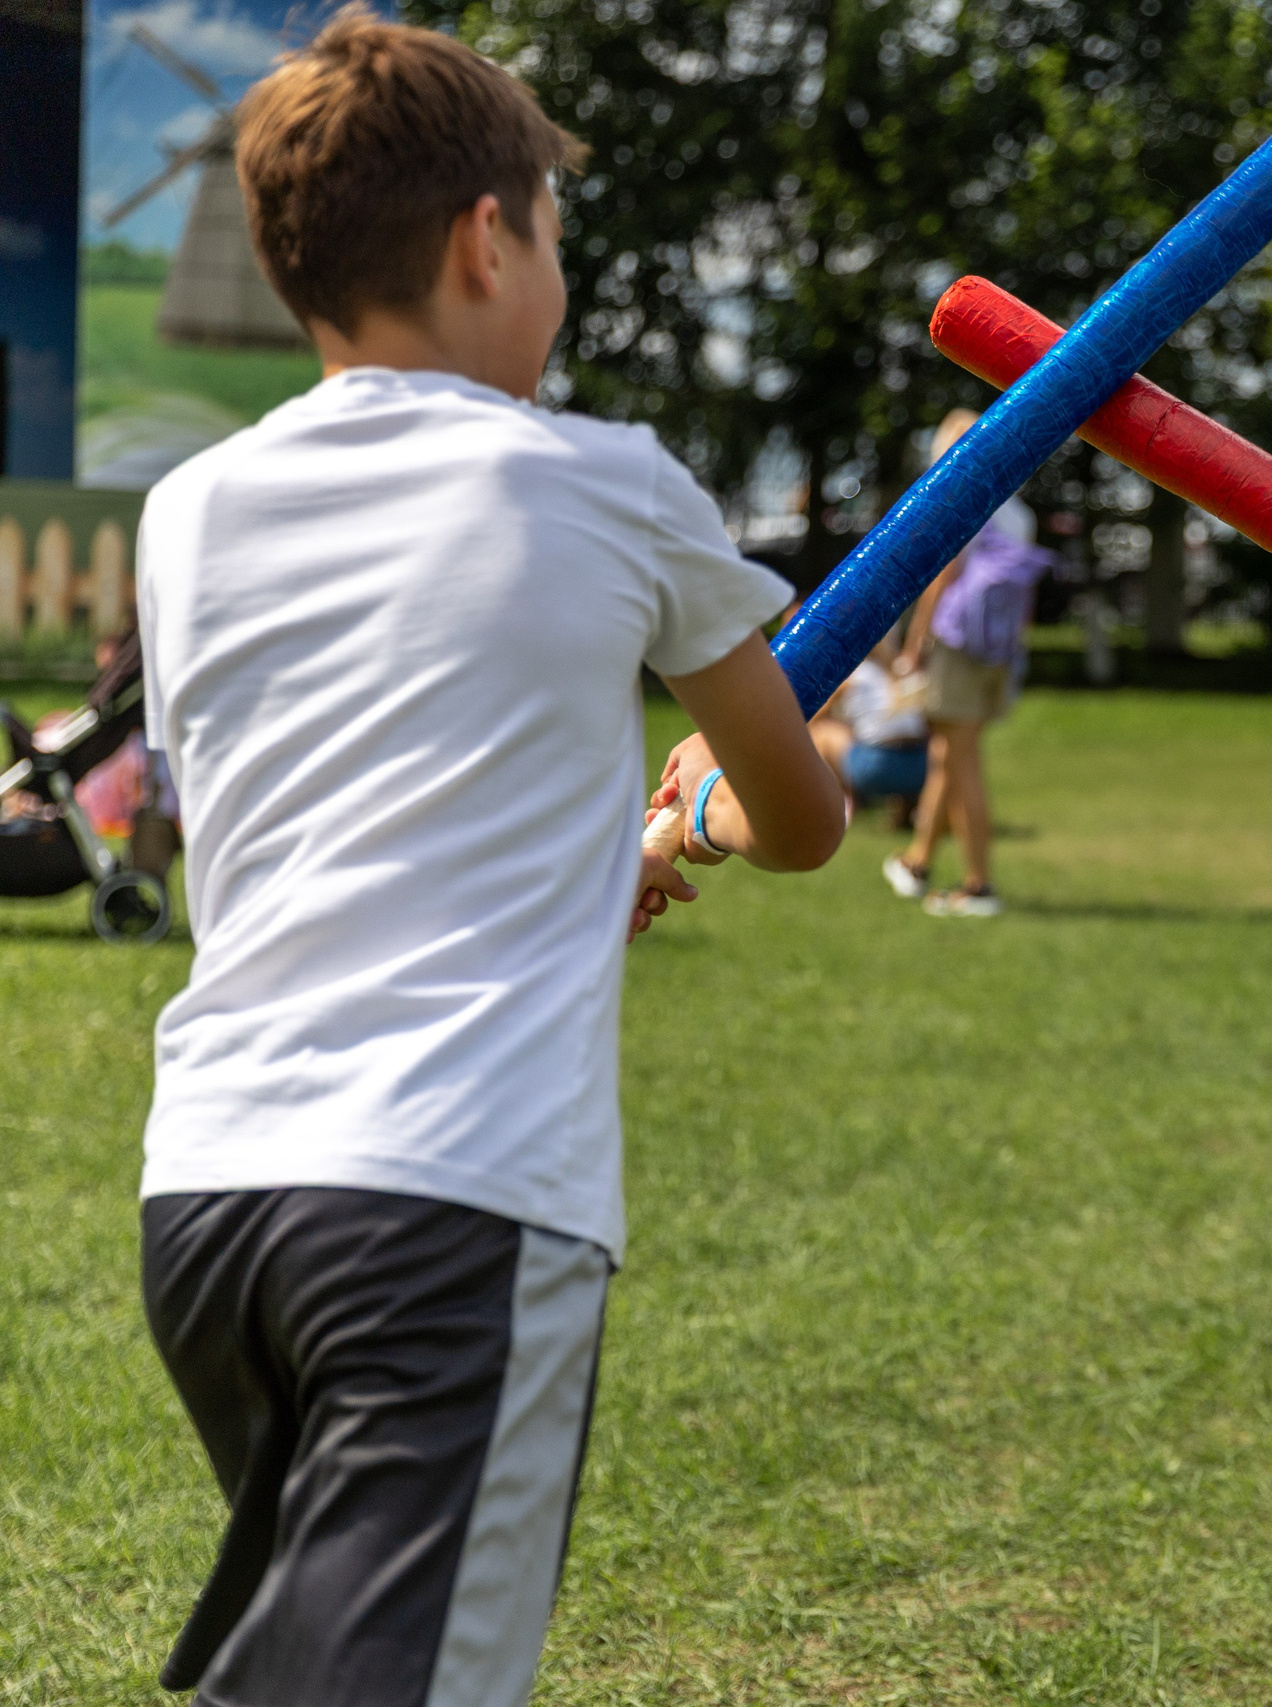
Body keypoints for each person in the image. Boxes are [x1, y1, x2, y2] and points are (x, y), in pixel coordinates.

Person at [131, 15, 845, 1707]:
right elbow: (801, 814)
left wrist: (593, 856)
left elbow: (353, 795)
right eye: (558, 236)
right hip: (451, 1205)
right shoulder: (612, 485)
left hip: (214, 1204)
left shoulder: (197, 509)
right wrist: (705, 809)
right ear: (485, 237)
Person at [880, 408, 1055, 917]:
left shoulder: (964, 497)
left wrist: (915, 645)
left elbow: (945, 577)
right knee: (948, 755)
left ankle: (979, 886)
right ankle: (916, 861)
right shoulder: (1018, 511)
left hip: (957, 645)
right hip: (997, 650)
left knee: (961, 761)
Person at [814, 632, 930, 827]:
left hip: (874, 770)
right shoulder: (907, 672)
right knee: (902, 735)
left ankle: (844, 800)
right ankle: (907, 810)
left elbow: (812, 717)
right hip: (920, 769)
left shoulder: (855, 675)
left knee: (822, 733)